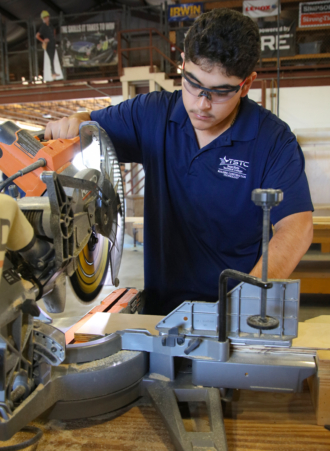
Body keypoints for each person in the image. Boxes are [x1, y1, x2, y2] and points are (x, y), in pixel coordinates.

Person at [45, 9, 313, 316]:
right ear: (182, 63)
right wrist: (71, 126)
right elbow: (88, 127)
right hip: (162, 313)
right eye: (192, 83)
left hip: (234, 313)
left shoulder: (272, 140)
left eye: (220, 92)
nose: (201, 103)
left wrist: (244, 302)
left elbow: (297, 226)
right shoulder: (150, 115)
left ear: (247, 84)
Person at [36, 10, 59, 80]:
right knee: (51, 58)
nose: (46, 19)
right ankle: (53, 73)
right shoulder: (43, 27)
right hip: (48, 44)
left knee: (53, 57)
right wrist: (43, 41)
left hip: (53, 43)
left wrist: (54, 37)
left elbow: (54, 30)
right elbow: (37, 36)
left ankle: (54, 72)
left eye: (47, 17)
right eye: (45, 18)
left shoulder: (50, 25)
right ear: (43, 19)